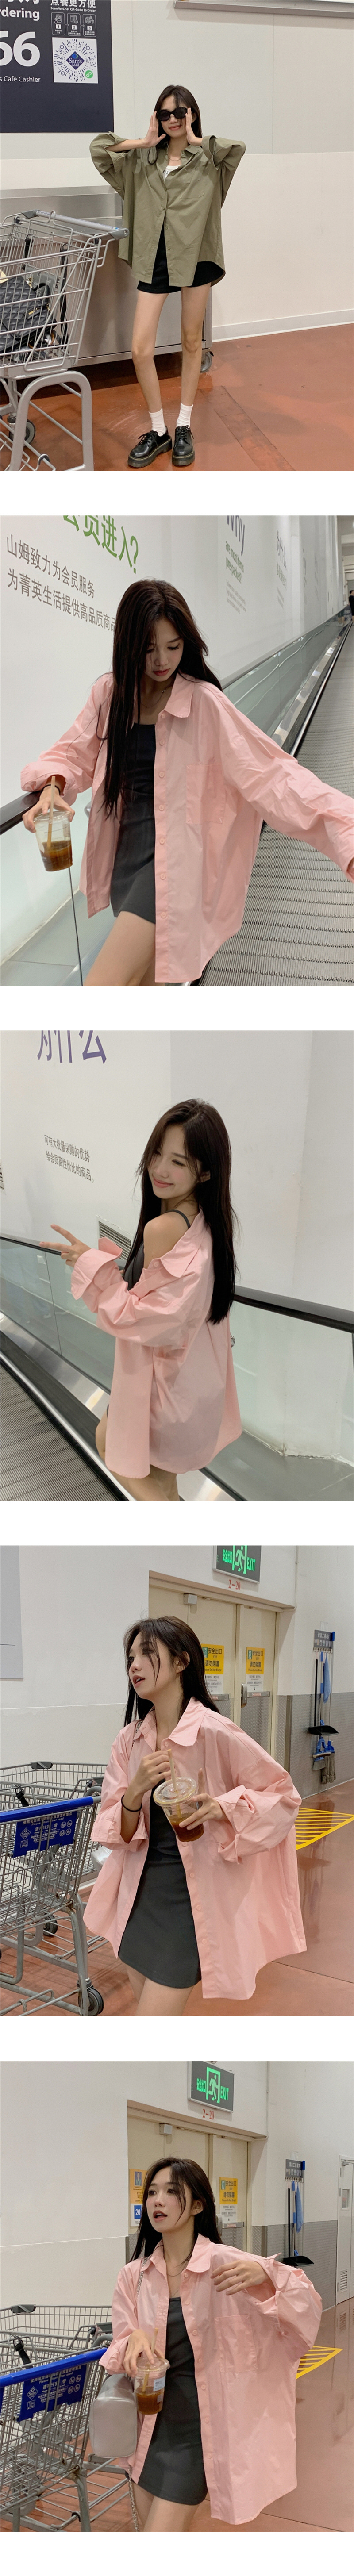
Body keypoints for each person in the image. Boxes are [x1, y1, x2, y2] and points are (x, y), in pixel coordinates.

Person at [21, 579, 354, 991]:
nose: (162, 660)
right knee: (146, 990)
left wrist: (346, 833)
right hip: (126, 858)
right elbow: (71, 753)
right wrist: (52, 787)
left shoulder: (204, 703)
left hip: (174, 864)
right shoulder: (110, 695)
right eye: (149, 648)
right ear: (128, 644)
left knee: (104, 985)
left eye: (174, 646)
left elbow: (276, 776)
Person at [83, 1616, 306, 2015]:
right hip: (138, 1897)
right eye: (130, 1657)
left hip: (191, 1901)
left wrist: (223, 1806)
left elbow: (284, 1797)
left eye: (146, 1654)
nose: (134, 1665)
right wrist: (134, 1792)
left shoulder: (215, 1732)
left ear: (181, 1661)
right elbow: (119, 1834)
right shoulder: (129, 1741)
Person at [103, 2156, 322, 2530]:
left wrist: (267, 2273)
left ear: (198, 2205)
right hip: (147, 2429)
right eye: (152, 2192)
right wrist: (132, 2340)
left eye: (172, 2191)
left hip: (200, 2431)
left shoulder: (226, 2263)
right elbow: (119, 2351)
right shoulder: (134, 2275)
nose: (158, 2200)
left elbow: (307, 2305)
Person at [42, 1098, 242, 1501]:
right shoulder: (209, 1222)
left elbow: (139, 1318)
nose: (159, 1170)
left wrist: (89, 1264)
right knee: (158, 1480)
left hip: (163, 1393)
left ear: (205, 1171)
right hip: (192, 1385)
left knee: (113, 1450)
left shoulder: (164, 1228)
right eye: (157, 1153)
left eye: (178, 1162)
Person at [90, 87, 246, 468]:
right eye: (165, 114)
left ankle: (184, 425)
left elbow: (237, 149)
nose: (172, 119)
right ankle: (158, 430)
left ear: (192, 114)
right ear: (156, 118)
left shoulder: (209, 159)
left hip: (197, 256)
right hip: (155, 259)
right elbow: (99, 149)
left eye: (180, 112)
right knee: (141, 349)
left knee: (192, 342)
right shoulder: (142, 160)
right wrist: (143, 142)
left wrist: (196, 139)